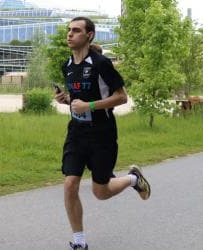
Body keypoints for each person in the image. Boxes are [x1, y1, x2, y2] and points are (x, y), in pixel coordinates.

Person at [54, 17, 151, 250]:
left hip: (102, 135)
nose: (70, 34)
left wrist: (89, 107)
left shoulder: (101, 64)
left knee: (100, 192)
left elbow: (121, 97)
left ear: (89, 35)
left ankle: (133, 179)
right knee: (70, 184)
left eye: (76, 31)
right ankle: (79, 241)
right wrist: (66, 99)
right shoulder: (67, 65)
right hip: (76, 133)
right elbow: (79, 97)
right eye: (69, 30)